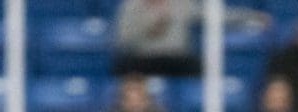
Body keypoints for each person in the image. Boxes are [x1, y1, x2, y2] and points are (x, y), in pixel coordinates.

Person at [112, 0, 271, 79]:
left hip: (175, 59)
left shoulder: (180, 4)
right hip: (143, 59)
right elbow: (121, 39)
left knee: (200, 67)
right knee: (122, 65)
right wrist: (148, 26)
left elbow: (215, 14)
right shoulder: (131, 6)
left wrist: (252, 16)